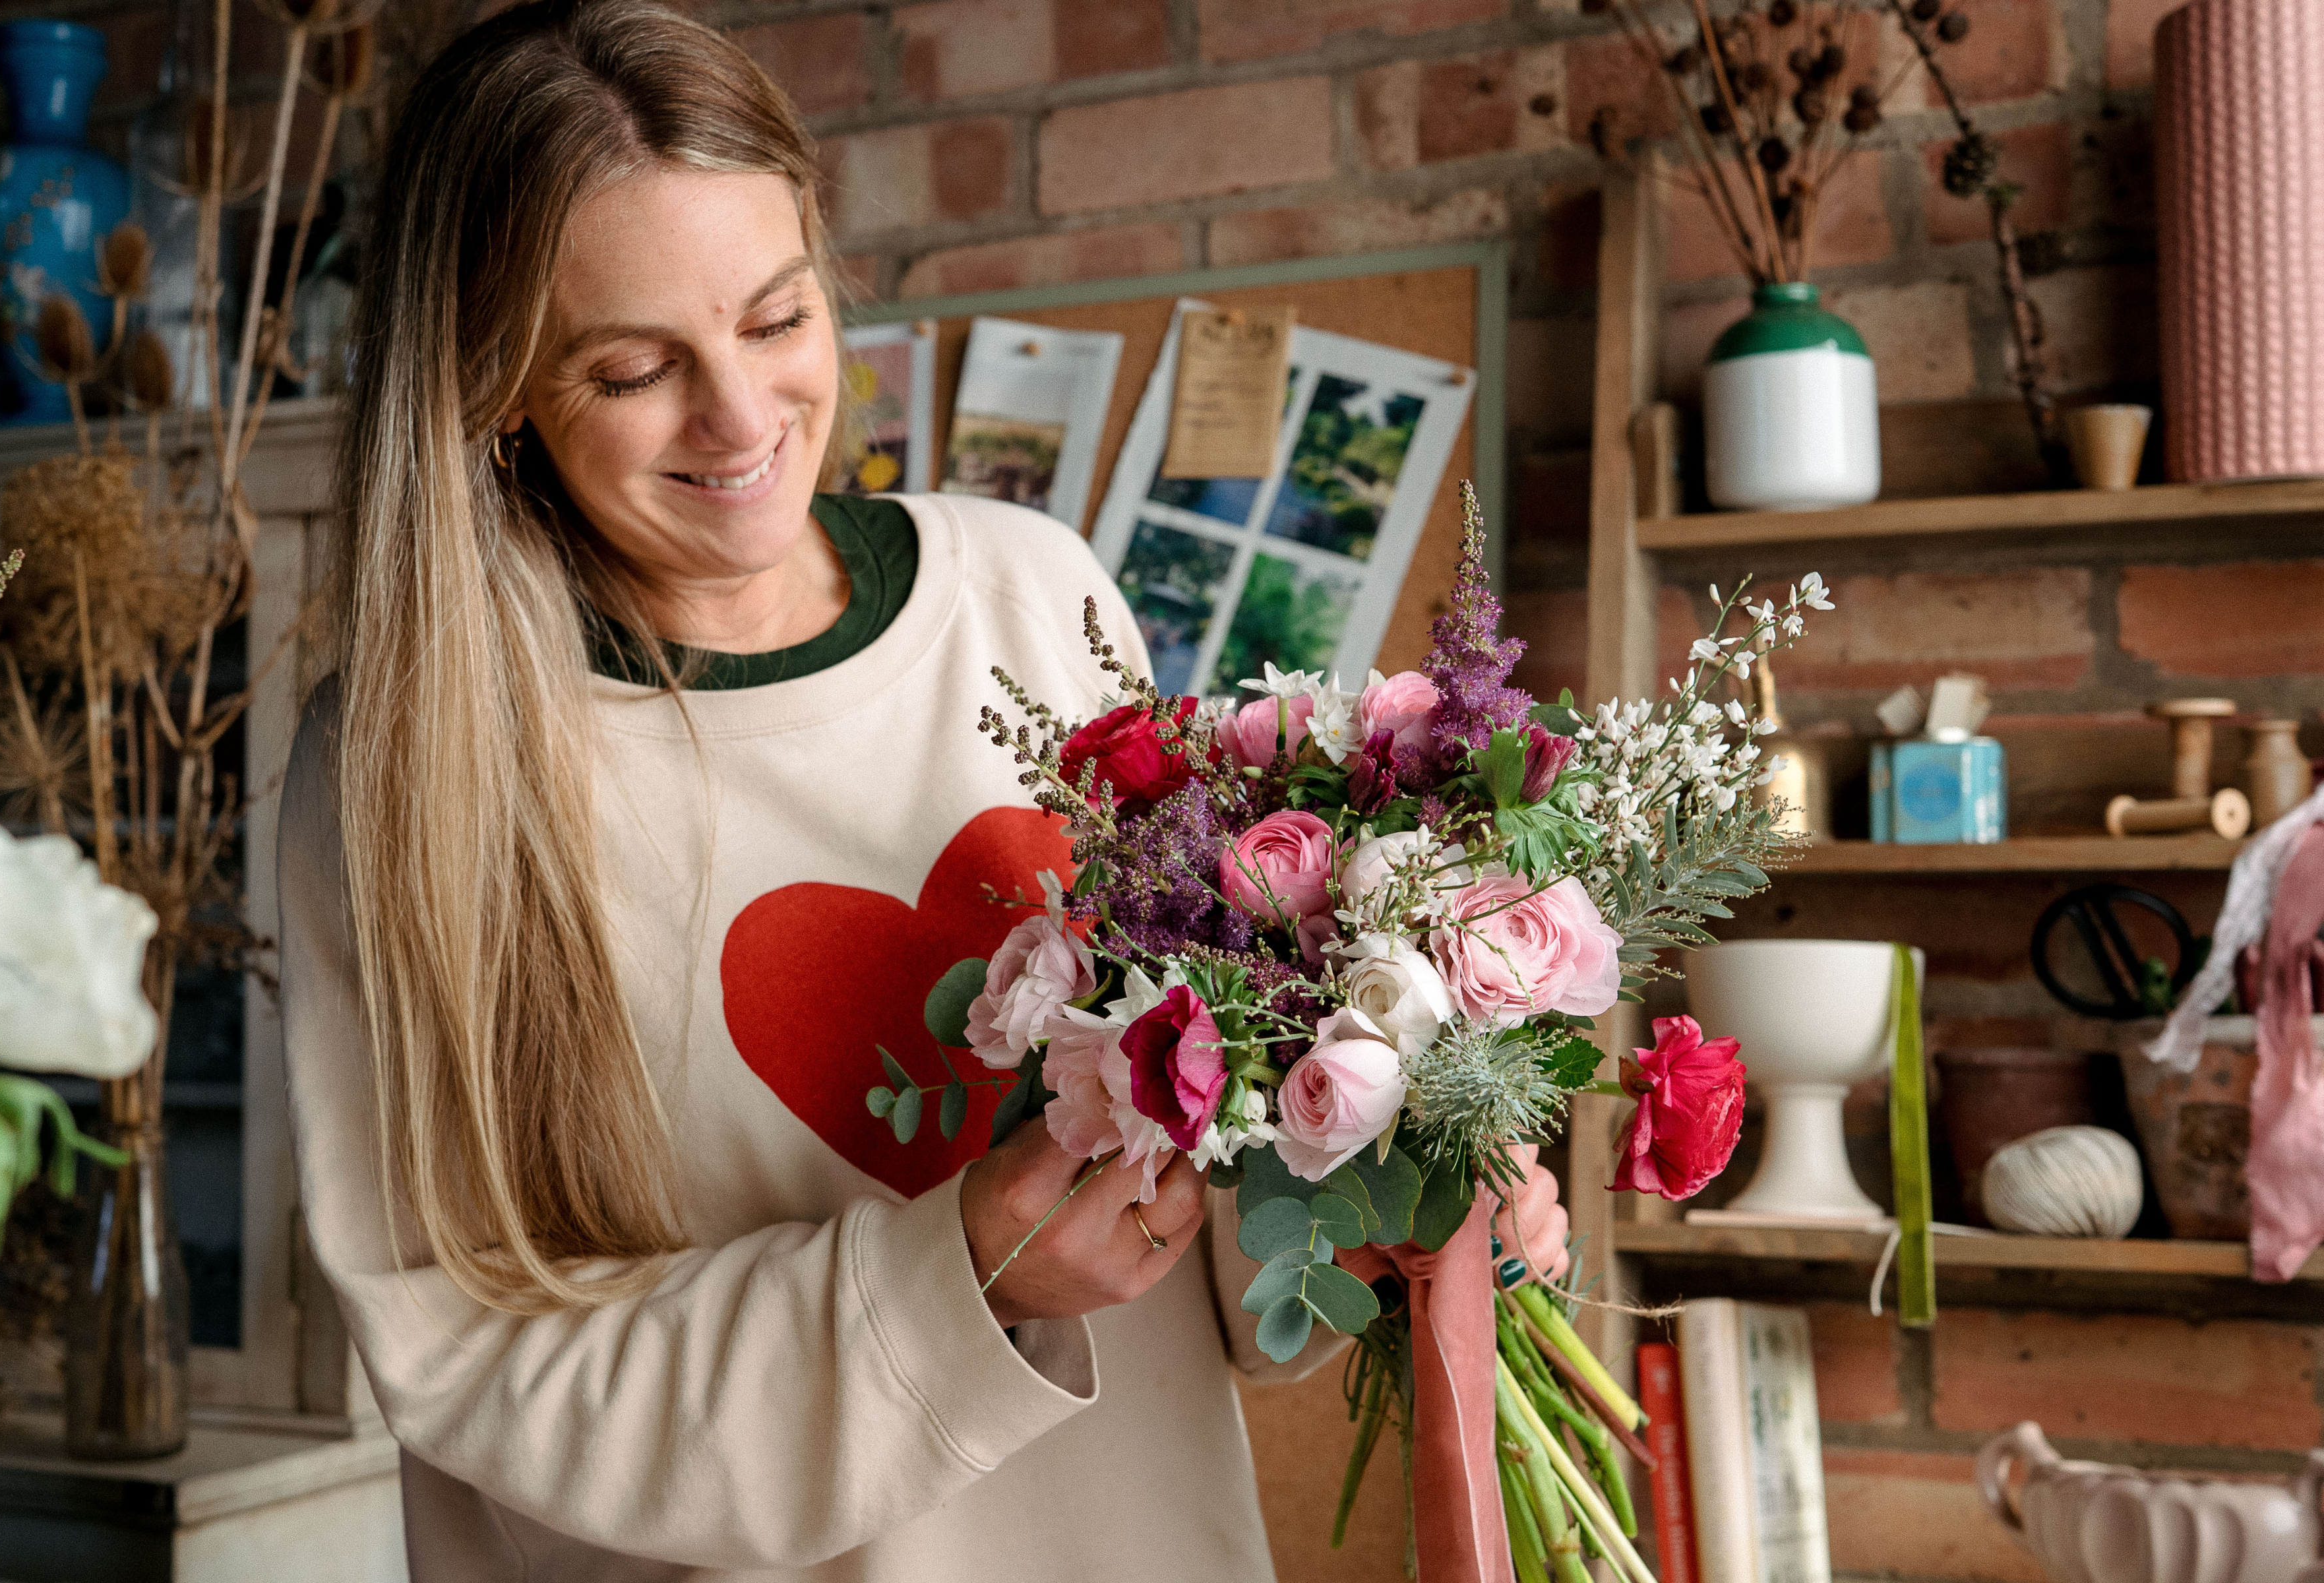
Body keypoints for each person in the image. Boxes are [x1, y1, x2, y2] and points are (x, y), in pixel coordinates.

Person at [278, 3, 1569, 1578]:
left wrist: (1360, 1191)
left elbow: (1206, 1155)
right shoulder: (406, 766)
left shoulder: (1032, 597)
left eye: (774, 319)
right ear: (494, 391)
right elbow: (476, 1365)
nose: (743, 422)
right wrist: (959, 1280)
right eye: (632, 369)